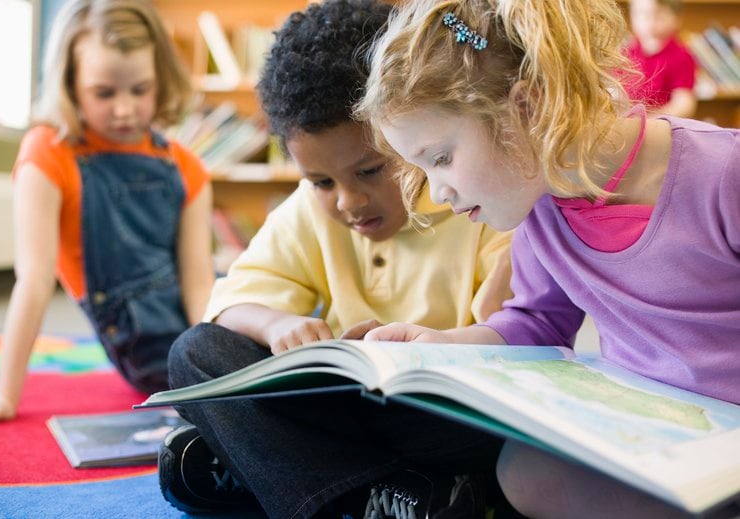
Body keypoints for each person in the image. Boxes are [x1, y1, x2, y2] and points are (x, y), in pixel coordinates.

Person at [353, 0, 739, 517]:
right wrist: (442, 344)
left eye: (440, 158)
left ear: (527, 109)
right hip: (657, 438)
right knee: (524, 473)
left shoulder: (723, 174)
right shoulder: (540, 204)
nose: (438, 192)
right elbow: (536, 323)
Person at [158, 0, 515, 517]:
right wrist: (279, 324)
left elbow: (516, 345)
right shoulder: (310, 212)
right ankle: (382, 496)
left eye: (370, 170)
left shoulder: (476, 199)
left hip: (438, 412)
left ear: (411, 135)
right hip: (347, 409)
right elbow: (230, 303)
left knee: (503, 438)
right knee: (195, 353)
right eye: (322, 182)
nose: (348, 201)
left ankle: (281, 475)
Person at [0, 0, 214, 425]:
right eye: (104, 92)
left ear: (161, 80)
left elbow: (200, 284)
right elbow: (34, 280)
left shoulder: (186, 165)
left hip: (200, 319)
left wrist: (216, 361)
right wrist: (6, 392)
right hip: (150, 348)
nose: (124, 109)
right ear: (71, 83)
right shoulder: (49, 152)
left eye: (140, 89)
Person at [624, 0, 697, 117]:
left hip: (661, 124)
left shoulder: (681, 56)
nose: (649, 21)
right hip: (626, 122)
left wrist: (650, 119)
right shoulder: (624, 52)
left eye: (658, 14)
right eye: (641, 13)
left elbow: (684, 104)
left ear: (676, 19)